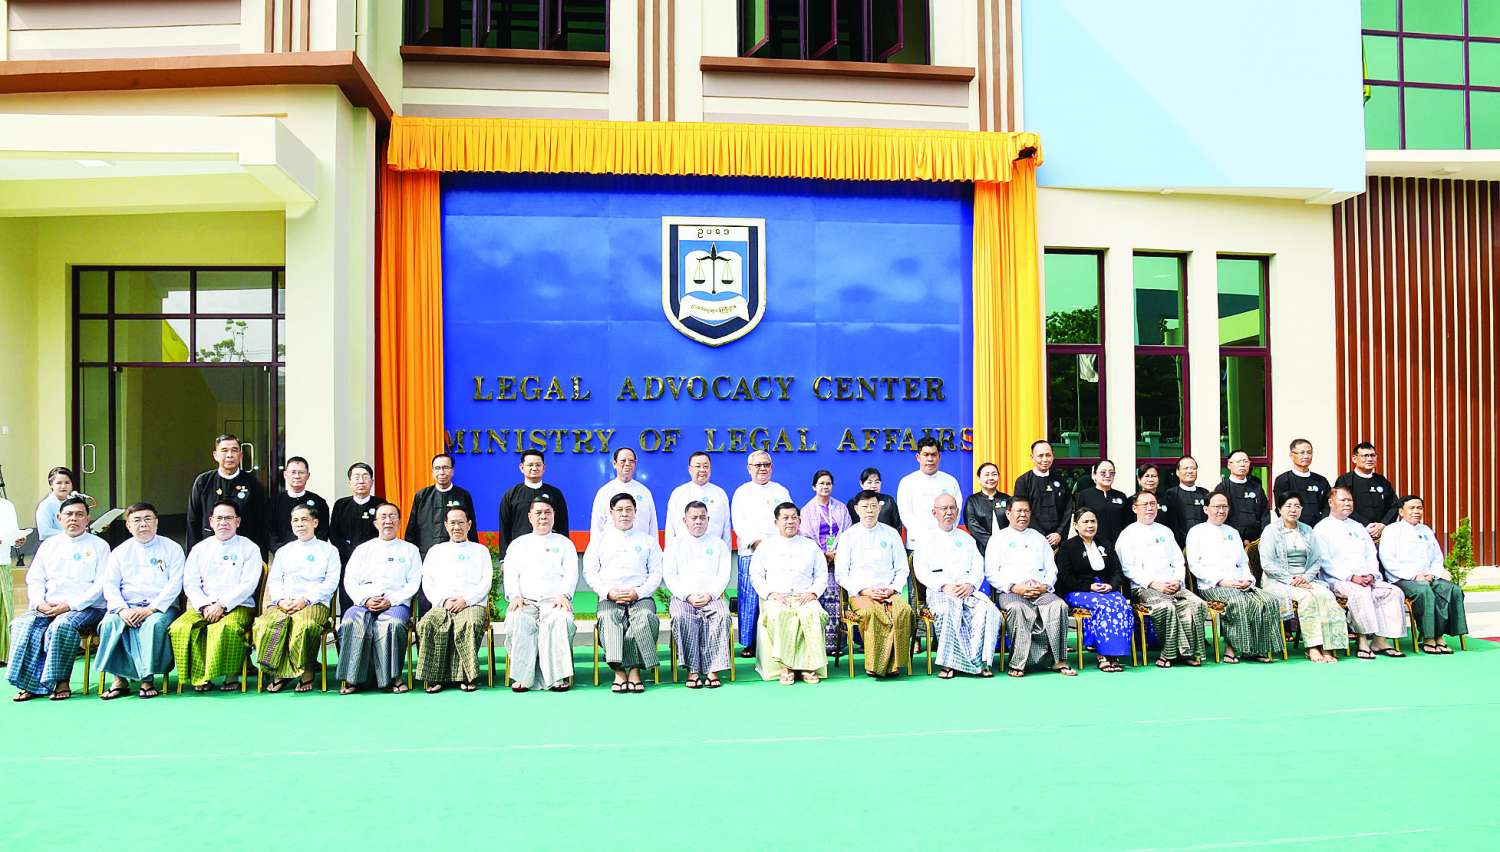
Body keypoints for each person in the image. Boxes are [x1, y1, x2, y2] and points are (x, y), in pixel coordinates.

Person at [8, 497, 106, 701]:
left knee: (61, 625)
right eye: (69, 514)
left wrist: (70, 605)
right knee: (22, 624)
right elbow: (35, 578)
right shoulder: (49, 545)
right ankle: (30, 684)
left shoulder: (99, 545)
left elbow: (101, 584)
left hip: (85, 608)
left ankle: (60, 681)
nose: (74, 519)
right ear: (59, 518)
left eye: (79, 515)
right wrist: (39, 603)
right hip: (48, 605)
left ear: (88, 519)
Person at [170, 500, 262, 692]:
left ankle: (231, 677)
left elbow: (248, 584)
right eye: (219, 518)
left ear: (237, 521)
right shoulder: (199, 549)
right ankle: (200, 677)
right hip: (204, 606)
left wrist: (222, 605)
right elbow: (191, 583)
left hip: (239, 605)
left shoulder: (249, 548)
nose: (223, 522)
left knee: (226, 627)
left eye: (228, 518)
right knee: (180, 627)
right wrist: (204, 606)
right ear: (211, 521)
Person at [95, 503, 184, 700]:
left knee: (153, 625)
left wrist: (151, 609)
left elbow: (175, 583)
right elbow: (110, 585)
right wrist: (122, 610)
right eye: (137, 520)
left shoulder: (172, 548)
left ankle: (147, 679)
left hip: (160, 607)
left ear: (156, 522)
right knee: (110, 623)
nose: (143, 524)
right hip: (127, 606)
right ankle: (119, 680)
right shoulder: (120, 552)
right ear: (128, 526)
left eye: (148, 519)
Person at [251, 504, 340, 692]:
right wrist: (280, 600)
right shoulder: (284, 551)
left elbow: (331, 583)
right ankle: (279, 672)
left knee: (304, 626)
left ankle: (306, 672)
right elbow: (275, 581)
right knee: (265, 625)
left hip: (314, 602)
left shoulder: (329, 551)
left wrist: (305, 600)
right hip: (284, 602)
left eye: (304, 519)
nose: (300, 524)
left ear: (315, 523)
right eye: (295, 520)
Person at [1187, 493, 1283, 663]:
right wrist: (1221, 581)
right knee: (1239, 602)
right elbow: (1195, 566)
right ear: (1206, 509)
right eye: (1217, 507)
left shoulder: (1232, 532)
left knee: (1269, 601)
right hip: (1212, 585)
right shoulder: (1196, 532)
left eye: (1225, 507)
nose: (1221, 511)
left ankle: (1256, 650)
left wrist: (1247, 580)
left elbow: (1243, 562)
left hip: (1238, 583)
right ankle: (1231, 649)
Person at [985, 498, 1076, 677]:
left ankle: (1058, 660)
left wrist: (1044, 586)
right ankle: (1018, 664)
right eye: (1018, 511)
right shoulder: (998, 539)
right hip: (1011, 591)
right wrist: (1013, 587)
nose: (1023, 515)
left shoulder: (1038, 537)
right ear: (1008, 513)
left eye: (1026, 511)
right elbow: (991, 573)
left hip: (1040, 590)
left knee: (1059, 606)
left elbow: (1052, 569)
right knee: (1017, 608)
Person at [336, 502, 420, 694]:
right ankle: (353, 679)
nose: (388, 521)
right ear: (375, 523)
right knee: (350, 622)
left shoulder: (410, 550)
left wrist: (391, 600)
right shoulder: (363, 549)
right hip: (364, 601)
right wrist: (364, 599)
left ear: (399, 522)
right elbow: (350, 580)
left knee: (393, 624)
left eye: (392, 516)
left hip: (395, 603)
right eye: (383, 517)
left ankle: (392, 678)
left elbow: (414, 583)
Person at [1116, 492, 1207, 668]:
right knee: (1166, 607)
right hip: (1145, 587)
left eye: (1153, 504)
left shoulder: (1165, 531)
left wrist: (1177, 580)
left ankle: (1187, 653)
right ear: (1135, 508)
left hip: (1173, 585)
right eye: (1145, 505)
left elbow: (1178, 560)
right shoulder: (1127, 535)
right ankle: (1169, 654)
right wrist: (1152, 583)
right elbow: (1128, 568)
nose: (1150, 508)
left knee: (1197, 604)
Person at [913, 493, 999, 678]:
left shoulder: (967, 539)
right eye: (944, 509)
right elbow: (921, 570)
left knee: (987, 610)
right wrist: (944, 586)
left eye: (952, 508)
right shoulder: (925, 540)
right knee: (948, 610)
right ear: (934, 512)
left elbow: (978, 565)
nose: (948, 512)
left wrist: (970, 584)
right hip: (941, 592)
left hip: (967, 591)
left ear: (958, 511)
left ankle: (978, 662)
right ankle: (949, 664)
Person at [583, 493, 663, 693]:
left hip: (641, 596)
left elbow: (656, 573)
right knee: (608, 617)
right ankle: (618, 672)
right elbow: (590, 572)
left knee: (645, 616)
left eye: (629, 510)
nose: (624, 514)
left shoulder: (648, 541)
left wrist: (639, 592)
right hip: (610, 595)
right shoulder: (599, 541)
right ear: (611, 513)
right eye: (619, 510)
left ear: (635, 513)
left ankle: (635, 671)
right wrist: (607, 592)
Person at [1315, 487, 1406, 659]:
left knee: (1393, 592)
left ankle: (1380, 640)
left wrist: (1371, 574)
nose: (1347, 503)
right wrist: (1351, 577)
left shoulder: (1357, 527)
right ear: (1331, 502)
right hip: (1338, 580)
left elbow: (1371, 554)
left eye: (1350, 500)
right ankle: (1362, 640)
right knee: (1360, 593)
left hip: (1366, 578)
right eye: (1343, 500)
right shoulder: (1321, 529)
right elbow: (1324, 561)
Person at [1259, 494, 1346, 663]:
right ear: (1279, 509)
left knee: (1326, 595)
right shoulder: (1270, 531)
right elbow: (1267, 564)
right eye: (1288, 506)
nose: (1293, 510)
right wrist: (1291, 579)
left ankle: (1328, 646)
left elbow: (1316, 560)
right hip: (1279, 580)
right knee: (1307, 598)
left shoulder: (1307, 530)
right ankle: (1312, 646)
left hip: (1305, 579)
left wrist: (1305, 578)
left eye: (1297, 506)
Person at [502, 499, 578, 692]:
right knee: (517, 619)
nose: (543, 517)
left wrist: (564, 595)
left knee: (561, 620)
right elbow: (510, 573)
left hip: (554, 601)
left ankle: (556, 678)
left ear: (554, 516)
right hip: (525, 601)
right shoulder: (518, 544)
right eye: (538, 513)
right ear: (530, 517)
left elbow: (571, 573)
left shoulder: (564, 543)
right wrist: (515, 595)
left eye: (547, 512)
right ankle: (523, 677)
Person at [835, 490, 912, 677]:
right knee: (872, 613)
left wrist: (892, 589)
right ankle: (875, 665)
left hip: (888, 591)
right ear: (856, 510)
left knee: (903, 611)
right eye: (865, 507)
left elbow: (902, 569)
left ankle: (894, 664)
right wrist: (864, 591)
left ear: (879, 508)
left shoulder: (891, 534)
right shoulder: (848, 536)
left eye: (873, 506)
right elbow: (841, 574)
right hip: (861, 593)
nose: (869, 511)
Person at [750, 502, 829, 684]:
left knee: (814, 613)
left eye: (794, 518)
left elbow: (821, 575)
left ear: (799, 521)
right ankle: (787, 667)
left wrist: (813, 592)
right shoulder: (766, 546)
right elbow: (756, 575)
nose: (790, 521)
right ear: (776, 522)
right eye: (785, 518)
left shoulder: (811, 546)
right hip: (778, 598)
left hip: (804, 596)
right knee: (780, 615)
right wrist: (770, 594)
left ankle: (809, 666)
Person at [416, 507, 492, 693]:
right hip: (443, 603)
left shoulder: (480, 551)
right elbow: (427, 581)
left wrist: (466, 600)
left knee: (469, 623)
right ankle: (436, 676)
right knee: (428, 623)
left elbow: (486, 581)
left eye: (461, 522)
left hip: (472, 603)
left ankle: (466, 676)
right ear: (445, 525)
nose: (456, 527)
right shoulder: (436, 551)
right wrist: (443, 601)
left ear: (469, 525)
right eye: (452, 523)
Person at [1379, 495, 1467, 654]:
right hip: (1403, 578)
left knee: (1453, 590)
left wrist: (1432, 574)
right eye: (1411, 508)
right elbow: (1387, 559)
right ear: (1401, 512)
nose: (1416, 511)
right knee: (1425, 591)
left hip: (1428, 577)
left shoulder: (1426, 530)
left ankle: (1440, 635)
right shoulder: (1392, 530)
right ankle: (1428, 637)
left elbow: (1437, 556)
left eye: (1419, 508)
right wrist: (1414, 576)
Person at [663, 501, 733, 688]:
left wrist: (710, 594)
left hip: (712, 596)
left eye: (702, 517)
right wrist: (687, 595)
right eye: (693, 518)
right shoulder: (674, 545)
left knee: (722, 615)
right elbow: (670, 575)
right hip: (683, 597)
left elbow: (724, 574)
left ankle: (713, 670)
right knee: (680, 616)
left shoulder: (718, 544)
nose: (698, 521)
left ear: (708, 519)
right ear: (684, 520)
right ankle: (692, 671)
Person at [1054, 507, 1130, 672]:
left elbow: (1117, 572)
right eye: (1085, 522)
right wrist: (1089, 586)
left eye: (1093, 521)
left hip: (1105, 589)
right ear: (1076, 525)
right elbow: (1065, 577)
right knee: (1103, 606)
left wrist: (1111, 585)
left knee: (1121, 603)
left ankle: (1114, 655)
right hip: (1079, 590)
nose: (1090, 525)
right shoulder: (1067, 547)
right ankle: (1103, 655)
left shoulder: (1105, 543)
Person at [729, 450, 791, 655]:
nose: (762, 468)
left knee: (776, 594)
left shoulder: (781, 491)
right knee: (750, 597)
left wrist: (775, 542)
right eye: (758, 465)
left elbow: (788, 517)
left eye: (766, 464)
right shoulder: (741, 492)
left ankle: (776, 639)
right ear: (749, 469)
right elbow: (738, 522)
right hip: (751, 550)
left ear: (771, 467)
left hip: (777, 551)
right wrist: (755, 542)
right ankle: (750, 642)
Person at [799, 469, 851, 656]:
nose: (825, 486)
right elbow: (805, 536)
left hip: (838, 559)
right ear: (814, 487)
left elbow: (848, 533)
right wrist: (822, 554)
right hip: (816, 561)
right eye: (821, 483)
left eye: (828, 483)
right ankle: (817, 644)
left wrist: (836, 553)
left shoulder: (841, 508)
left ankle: (836, 645)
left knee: (837, 601)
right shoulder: (807, 510)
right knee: (818, 600)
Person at [186, 434, 268, 551]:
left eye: (234, 450)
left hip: (243, 549)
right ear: (215, 455)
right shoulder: (203, 482)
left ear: (241, 455)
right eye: (224, 450)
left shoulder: (253, 483)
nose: (229, 455)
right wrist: (192, 554)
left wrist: (261, 556)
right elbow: (193, 520)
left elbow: (261, 522)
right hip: (210, 549)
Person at [497, 449, 570, 560]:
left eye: (538, 465)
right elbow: (504, 528)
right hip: (520, 552)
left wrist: (565, 553)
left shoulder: (555, 494)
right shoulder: (511, 495)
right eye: (530, 465)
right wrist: (503, 558)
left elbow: (562, 525)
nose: (534, 468)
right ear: (522, 467)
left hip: (549, 552)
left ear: (544, 468)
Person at [329, 462, 382, 610]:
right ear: (350, 482)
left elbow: (384, 533)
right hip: (347, 560)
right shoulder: (341, 505)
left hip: (374, 561)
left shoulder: (380, 504)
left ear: (372, 481)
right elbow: (334, 534)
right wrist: (351, 553)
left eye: (365, 477)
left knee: (374, 599)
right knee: (347, 599)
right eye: (356, 477)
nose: (361, 481)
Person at [897, 437, 964, 553]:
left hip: (945, 543)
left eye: (934, 455)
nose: (930, 459)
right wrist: (924, 536)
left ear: (939, 457)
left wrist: (944, 533)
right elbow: (905, 514)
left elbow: (955, 512)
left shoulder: (950, 481)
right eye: (926, 455)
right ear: (918, 457)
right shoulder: (907, 482)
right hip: (917, 544)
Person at [405, 453, 478, 557]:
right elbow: (411, 530)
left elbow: (472, 529)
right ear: (432, 472)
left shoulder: (463, 495)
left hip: (456, 555)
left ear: (452, 471)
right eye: (437, 468)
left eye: (446, 468)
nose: (441, 472)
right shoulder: (422, 496)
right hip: (426, 555)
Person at [1011, 440, 1070, 547]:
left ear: (1053, 456)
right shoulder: (1023, 481)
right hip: (1031, 539)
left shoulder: (1061, 480)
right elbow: (1022, 511)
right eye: (1040, 456)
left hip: (1057, 539)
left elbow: (1067, 509)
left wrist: (1059, 533)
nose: (1045, 459)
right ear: (1032, 457)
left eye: (1048, 455)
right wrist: (1040, 535)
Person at [1334, 442, 1398, 538]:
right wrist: (1366, 525)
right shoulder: (1345, 480)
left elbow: (1395, 505)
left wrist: (1384, 524)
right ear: (1354, 459)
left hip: (1381, 533)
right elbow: (1343, 506)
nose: (1369, 459)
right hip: (1354, 532)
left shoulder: (1381, 480)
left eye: (1372, 455)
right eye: (1365, 456)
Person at [665, 451, 731, 545]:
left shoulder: (720, 493)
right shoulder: (678, 493)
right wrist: (670, 550)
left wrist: (726, 551)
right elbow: (670, 528)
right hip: (684, 549)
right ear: (690, 469)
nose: (702, 470)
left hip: (713, 549)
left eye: (706, 466)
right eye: (698, 466)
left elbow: (726, 528)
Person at [267, 456, 330, 552]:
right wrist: (282, 552)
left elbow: (323, 531)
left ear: (308, 475)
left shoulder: (319, 502)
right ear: (285, 474)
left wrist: (310, 549)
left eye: (301, 472)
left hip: (312, 553)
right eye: (293, 472)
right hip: (283, 554)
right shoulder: (273, 502)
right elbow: (269, 533)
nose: (297, 476)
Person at [590, 447, 658, 536]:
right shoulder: (604, 492)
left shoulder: (644, 491)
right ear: (614, 464)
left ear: (635, 464)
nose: (627, 464)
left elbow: (652, 525)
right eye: (623, 461)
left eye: (631, 461)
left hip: (641, 544)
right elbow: (596, 527)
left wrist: (653, 543)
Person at [1273, 439, 1332, 528]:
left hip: (1318, 529)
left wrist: (1321, 525)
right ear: (1291, 455)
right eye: (1302, 453)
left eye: (1309, 452)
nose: (1306, 456)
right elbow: (1281, 508)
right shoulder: (1283, 480)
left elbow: (1328, 506)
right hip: (1293, 529)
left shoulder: (1321, 481)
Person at [1214, 450, 1269, 544]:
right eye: (1238, 462)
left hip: (1255, 541)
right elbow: (1219, 515)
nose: (1242, 464)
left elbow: (1265, 514)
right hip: (1230, 539)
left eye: (1245, 461)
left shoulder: (1256, 487)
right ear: (1229, 465)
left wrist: (1262, 537)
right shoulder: (1222, 488)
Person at [1075, 459, 1129, 549]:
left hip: (1119, 545)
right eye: (1103, 472)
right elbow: (1079, 522)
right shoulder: (1085, 495)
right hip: (1093, 546)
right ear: (1094, 475)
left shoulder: (1121, 496)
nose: (1108, 475)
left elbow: (1127, 522)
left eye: (1111, 473)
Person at [0, 495, 28, 664]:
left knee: (4, 609)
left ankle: (3, 654)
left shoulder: (7, 505)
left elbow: (12, 536)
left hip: (2, 561)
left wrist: (18, 540)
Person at [35, 466, 96, 542]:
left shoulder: (73, 501)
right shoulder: (46, 505)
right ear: (51, 484)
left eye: (67, 483)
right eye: (59, 483)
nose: (63, 486)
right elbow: (44, 533)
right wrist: (73, 533)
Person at [962, 462, 1011, 556]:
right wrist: (993, 543)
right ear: (979, 479)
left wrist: (1006, 542)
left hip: (1007, 548)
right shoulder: (972, 500)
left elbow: (1013, 523)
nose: (991, 478)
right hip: (982, 550)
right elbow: (972, 525)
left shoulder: (1007, 499)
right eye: (986, 475)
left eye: (994, 474)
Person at [1161, 456, 1210, 548]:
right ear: (1177, 472)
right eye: (1186, 468)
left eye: (1193, 468)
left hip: (1203, 544)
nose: (1190, 471)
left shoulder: (1204, 493)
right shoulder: (1171, 494)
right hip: (1178, 545)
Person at [846, 467, 902, 534]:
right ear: (861, 483)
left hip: (886, 538)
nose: (874, 485)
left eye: (877, 482)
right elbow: (849, 526)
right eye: (869, 482)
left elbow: (897, 526)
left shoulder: (889, 501)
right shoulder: (853, 502)